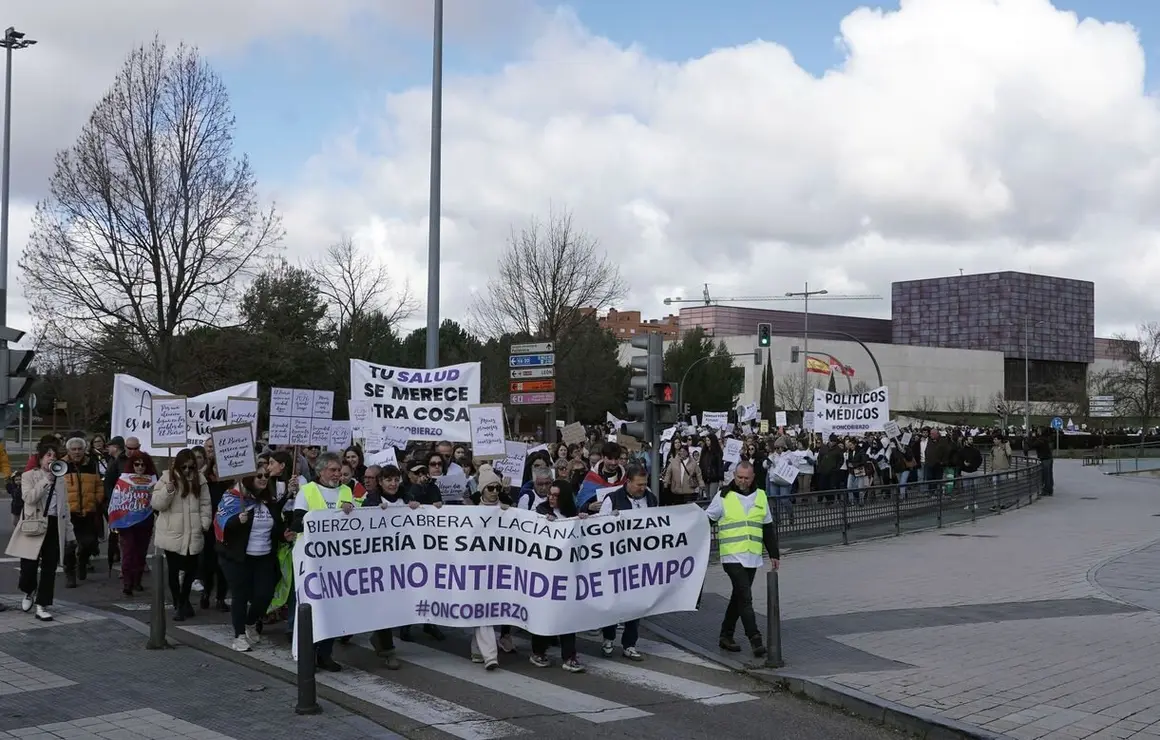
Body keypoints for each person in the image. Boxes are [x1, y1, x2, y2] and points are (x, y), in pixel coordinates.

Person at [704, 460, 779, 657]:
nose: (742, 481)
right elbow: (706, 520)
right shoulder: (723, 496)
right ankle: (755, 639)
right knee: (745, 597)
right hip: (731, 555)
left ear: (753, 477)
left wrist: (774, 553)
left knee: (738, 596)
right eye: (739, 477)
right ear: (734, 476)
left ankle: (725, 635)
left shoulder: (761, 496)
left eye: (746, 478)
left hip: (752, 556)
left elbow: (767, 527)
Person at [216, 464, 288, 652]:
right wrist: (236, 521)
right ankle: (239, 635)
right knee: (240, 595)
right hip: (238, 557)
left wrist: (284, 535)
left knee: (265, 594)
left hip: (264, 556)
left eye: (266, 475)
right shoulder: (233, 498)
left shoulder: (267, 500)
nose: (264, 478)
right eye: (259, 476)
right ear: (248, 478)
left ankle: (250, 622)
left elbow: (276, 525)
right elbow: (222, 522)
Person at [7, 442, 73, 621]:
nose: (52, 458)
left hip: (53, 525)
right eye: (48, 455)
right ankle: (29, 591)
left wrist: (70, 533)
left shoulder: (61, 479)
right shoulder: (29, 476)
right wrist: (46, 481)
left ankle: (42, 604)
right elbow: (28, 498)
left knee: (49, 567)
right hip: (34, 524)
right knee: (28, 567)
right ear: (41, 458)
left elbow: (65, 508)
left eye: (54, 455)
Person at [597, 464, 655, 661]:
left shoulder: (651, 498)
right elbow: (599, 529)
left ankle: (630, 644)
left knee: (635, 605)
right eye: (638, 484)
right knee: (614, 603)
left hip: (640, 561)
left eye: (644, 484)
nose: (642, 488)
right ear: (627, 482)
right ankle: (608, 637)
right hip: (616, 562)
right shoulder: (612, 500)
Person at [151, 448, 213, 621]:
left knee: (191, 570)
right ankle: (179, 603)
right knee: (173, 569)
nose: (187, 471)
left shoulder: (200, 480)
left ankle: (184, 599)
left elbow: (206, 504)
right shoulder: (166, 478)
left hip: (193, 531)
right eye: (184, 467)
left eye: (191, 467)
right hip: (172, 532)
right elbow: (156, 504)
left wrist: (203, 524)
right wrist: (168, 491)